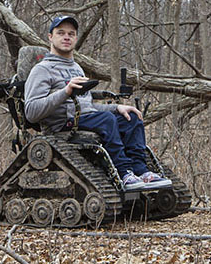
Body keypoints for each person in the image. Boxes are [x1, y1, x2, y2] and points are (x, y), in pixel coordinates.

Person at [23, 15, 171, 190]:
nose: (66, 37)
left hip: (84, 119)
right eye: (60, 33)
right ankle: (124, 174)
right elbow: (31, 112)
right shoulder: (42, 69)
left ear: (76, 38)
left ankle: (141, 170)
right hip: (62, 125)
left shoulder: (76, 68)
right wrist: (66, 91)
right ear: (50, 37)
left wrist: (117, 108)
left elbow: (88, 107)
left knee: (131, 117)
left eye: (71, 34)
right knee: (106, 120)